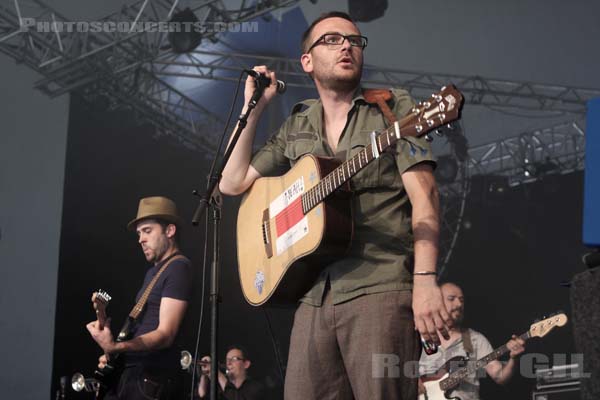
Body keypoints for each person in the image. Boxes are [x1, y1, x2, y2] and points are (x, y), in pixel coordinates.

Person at [219, 10, 451, 399]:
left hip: (379, 285)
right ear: (306, 61)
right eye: (332, 39)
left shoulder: (392, 108)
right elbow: (231, 180)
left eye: (354, 41)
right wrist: (253, 107)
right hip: (313, 295)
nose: (346, 45)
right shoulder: (298, 124)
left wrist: (425, 281)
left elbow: (425, 199)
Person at [86, 196, 193, 400]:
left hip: (150, 376)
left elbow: (165, 334)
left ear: (170, 231)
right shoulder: (153, 273)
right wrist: (113, 355)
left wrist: (117, 347)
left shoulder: (179, 267)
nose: (140, 239)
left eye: (147, 231)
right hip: (131, 373)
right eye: (139, 233)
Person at [418, 282, 526, 400]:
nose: (459, 304)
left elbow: (500, 376)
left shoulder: (475, 339)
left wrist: (513, 358)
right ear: (436, 302)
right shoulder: (422, 336)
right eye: (451, 299)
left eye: (461, 300)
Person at [197, 345, 266, 399]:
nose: (228, 363)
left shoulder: (256, 388)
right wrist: (204, 374)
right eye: (227, 360)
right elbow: (202, 395)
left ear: (246, 364)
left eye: (234, 359)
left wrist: (218, 374)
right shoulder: (220, 389)